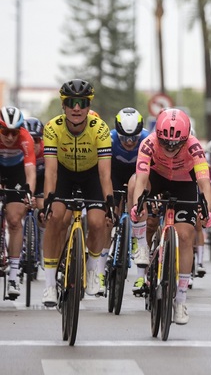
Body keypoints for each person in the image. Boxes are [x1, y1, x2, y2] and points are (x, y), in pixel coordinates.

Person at [131, 108, 211, 325]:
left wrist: (208, 210)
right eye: (165, 142)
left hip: (184, 183)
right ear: (158, 135)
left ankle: (181, 300)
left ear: (185, 139)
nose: (169, 147)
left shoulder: (195, 146)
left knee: (186, 236)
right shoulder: (148, 143)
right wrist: (138, 206)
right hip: (157, 178)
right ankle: (141, 246)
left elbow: (205, 183)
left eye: (175, 144)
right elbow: (141, 180)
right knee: (133, 185)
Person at [41, 79, 114, 306]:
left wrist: (109, 202)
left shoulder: (100, 129)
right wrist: (47, 202)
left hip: (91, 174)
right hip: (63, 174)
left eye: (81, 103)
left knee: (97, 221)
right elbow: (51, 173)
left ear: (87, 105)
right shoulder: (52, 127)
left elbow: (104, 174)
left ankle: (92, 271)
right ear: (63, 106)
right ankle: (50, 285)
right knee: (55, 217)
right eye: (71, 102)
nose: (76, 108)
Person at [99, 107, 149, 296]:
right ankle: (101, 271)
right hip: (114, 176)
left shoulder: (147, 139)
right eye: (124, 138)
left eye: (133, 138)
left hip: (138, 177)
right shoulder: (109, 139)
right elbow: (103, 173)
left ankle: (141, 275)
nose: (129, 143)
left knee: (139, 200)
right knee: (108, 219)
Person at [0, 107, 36, 298]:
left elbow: (30, 169)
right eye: (5, 131)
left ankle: (13, 275)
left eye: (14, 132)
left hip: (16, 172)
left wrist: (28, 191)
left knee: (14, 220)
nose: (10, 137)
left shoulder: (25, 138)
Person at [23, 117, 46, 267]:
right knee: (19, 208)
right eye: (31, 139)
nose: (34, 143)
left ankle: (43, 247)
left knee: (44, 211)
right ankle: (23, 245)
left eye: (37, 140)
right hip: (25, 180)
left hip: (42, 182)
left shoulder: (46, 151)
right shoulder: (21, 148)